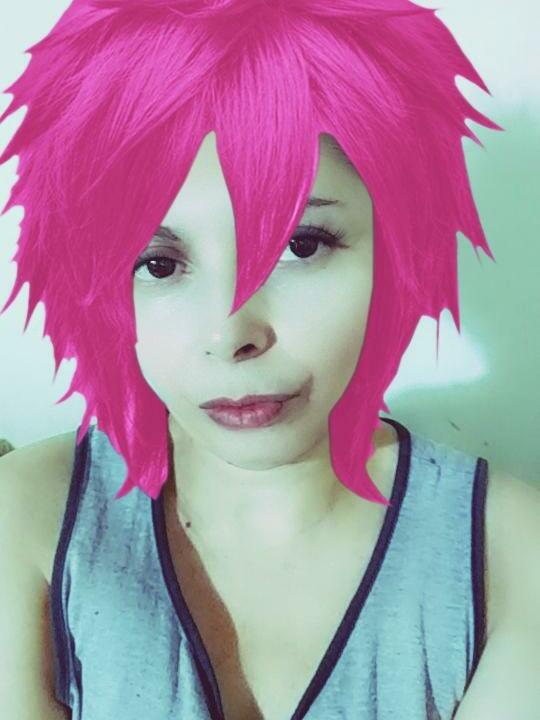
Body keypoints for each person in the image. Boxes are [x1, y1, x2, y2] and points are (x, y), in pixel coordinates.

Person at [0, 1, 538, 719]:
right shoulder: (24, 514)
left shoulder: (512, 551)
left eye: (301, 246)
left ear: (396, 245)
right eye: (158, 264)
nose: (232, 334)